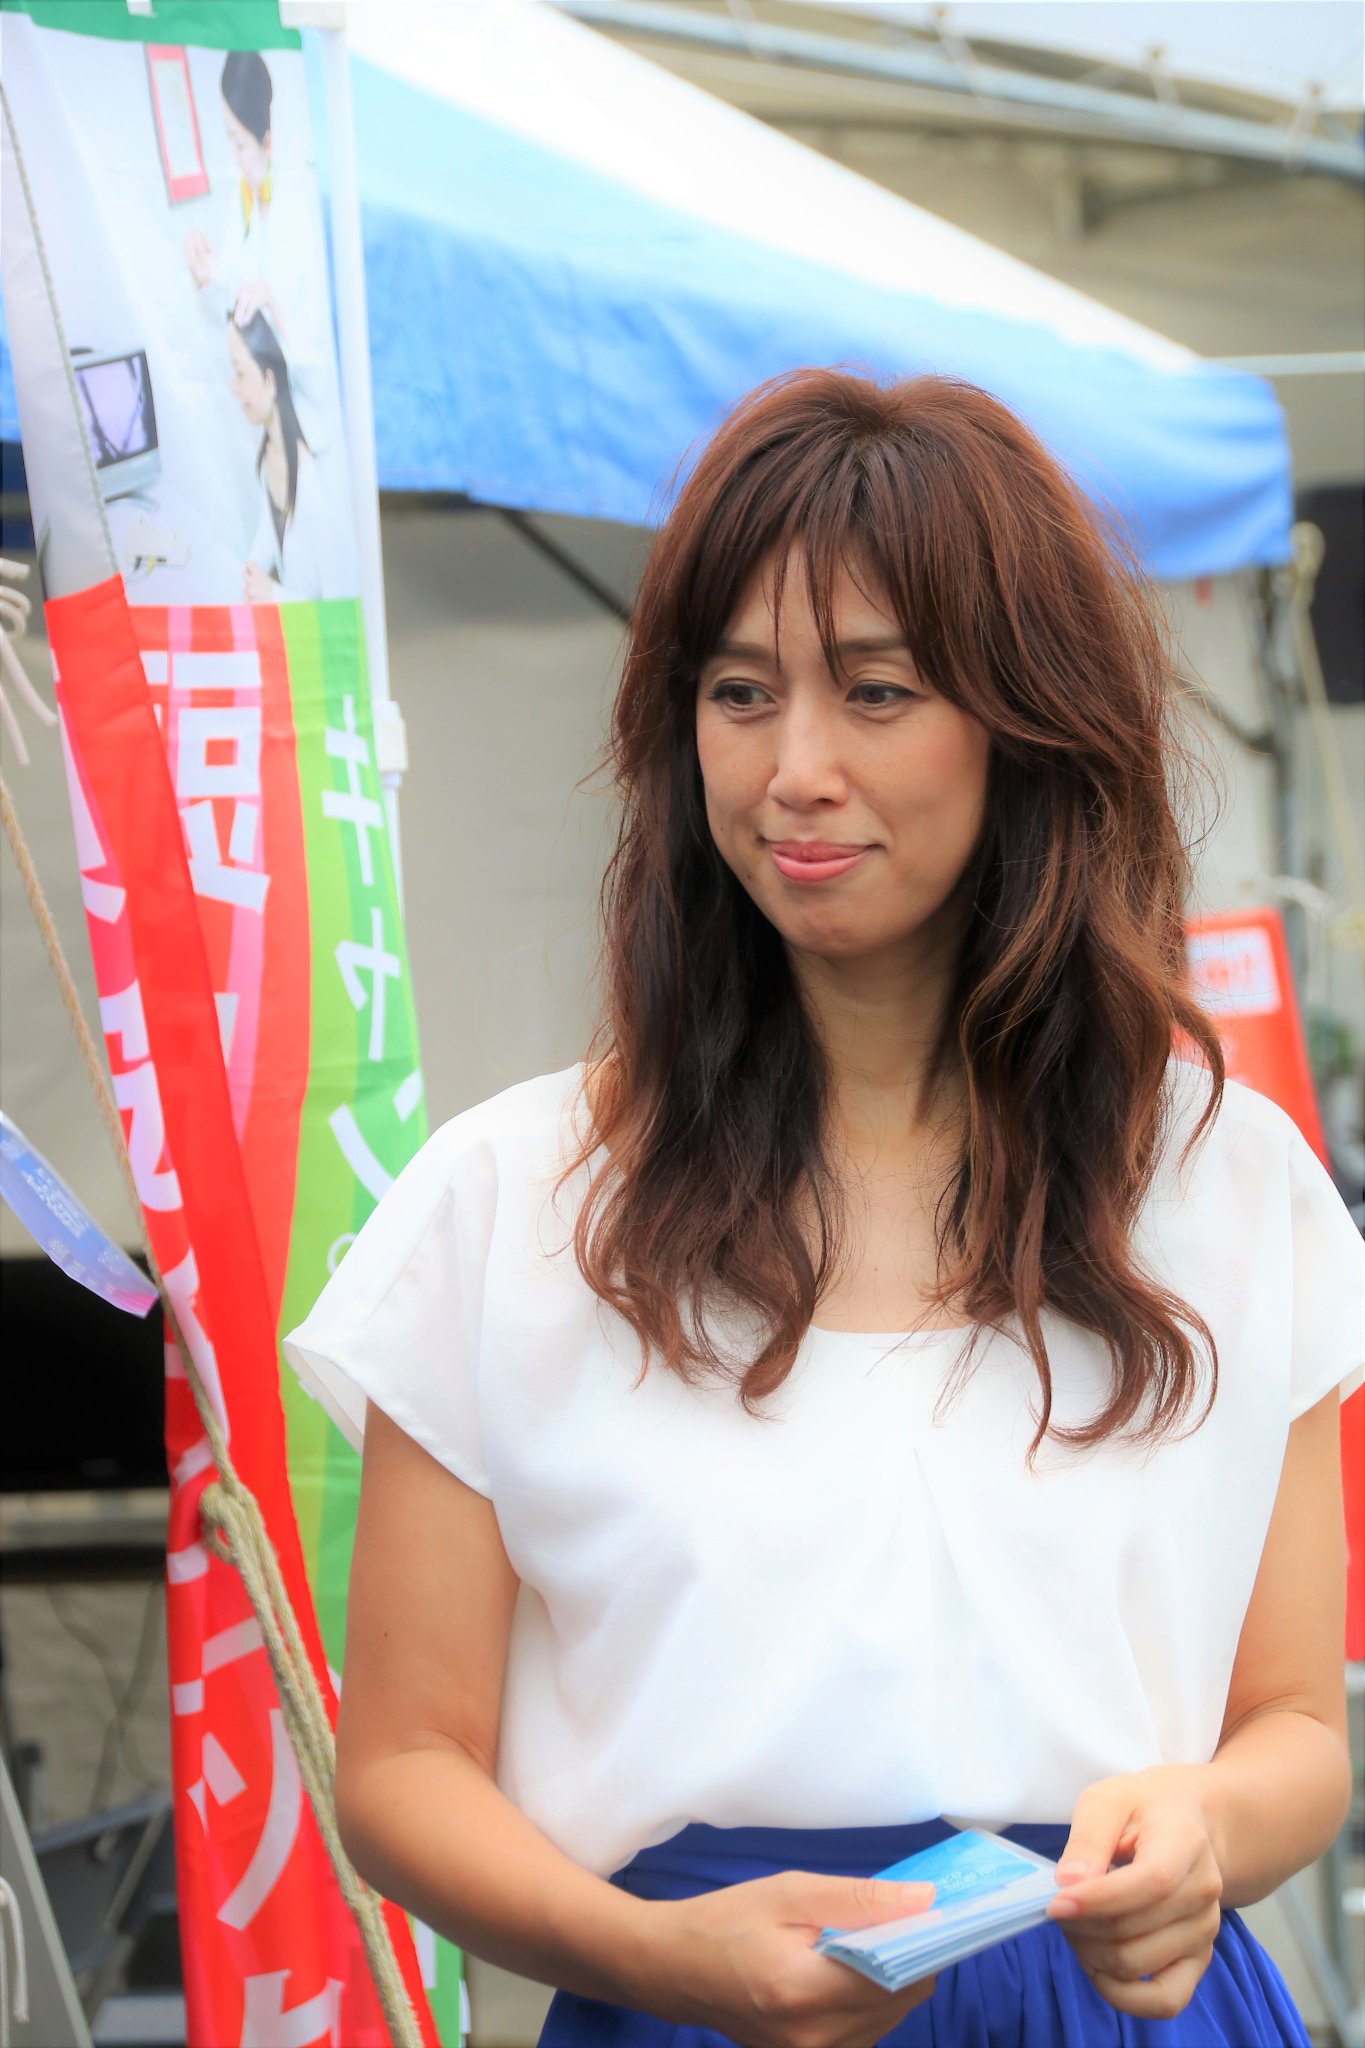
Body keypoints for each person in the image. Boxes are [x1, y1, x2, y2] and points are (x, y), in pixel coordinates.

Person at [283, 369, 1364, 2048]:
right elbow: (406, 1768)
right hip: (685, 2008)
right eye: (738, 692)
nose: (794, 769)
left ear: (1026, 717)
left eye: (875, 691)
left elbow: (1296, 1721)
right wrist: (653, 1956)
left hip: (1124, 2005)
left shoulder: (1226, 1180)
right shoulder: (512, 1202)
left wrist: (1204, 1830)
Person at [183, 50, 335, 456]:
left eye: (241, 144)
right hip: (264, 428)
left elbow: (313, 356)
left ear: (267, 141)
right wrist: (205, 274)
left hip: (307, 428)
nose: (234, 158)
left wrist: (273, 307)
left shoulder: (298, 212)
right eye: (229, 141)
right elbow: (234, 305)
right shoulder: (246, 201)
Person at [227, 311, 354, 604]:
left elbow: (338, 616)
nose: (233, 386)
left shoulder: (315, 489)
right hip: (290, 622)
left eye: (240, 373)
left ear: (270, 381)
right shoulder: (269, 454)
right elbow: (270, 523)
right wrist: (251, 566)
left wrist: (272, 594)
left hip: (311, 629)